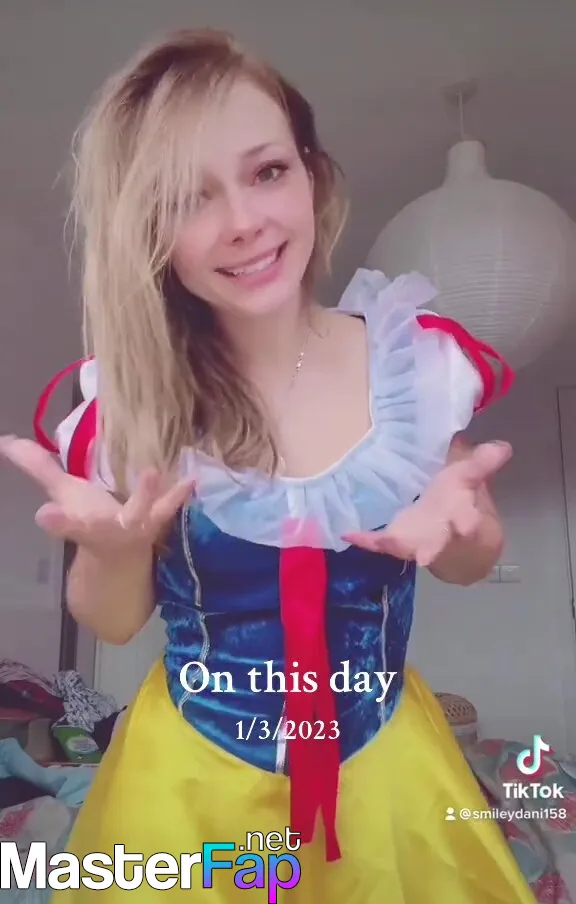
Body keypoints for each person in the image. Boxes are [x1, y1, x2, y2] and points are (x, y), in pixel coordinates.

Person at [0, 28, 535, 903]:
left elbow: (470, 559)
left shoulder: (413, 369)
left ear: (312, 175)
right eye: (189, 196)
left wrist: (465, 532)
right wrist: (114, 549)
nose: (243, 221)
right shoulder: (132, 404)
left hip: (386, 775)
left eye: (268, 171)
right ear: (149, 230)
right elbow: (115, 620)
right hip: (190, 783)